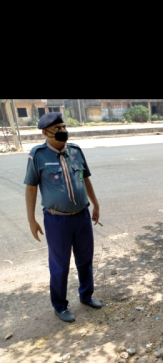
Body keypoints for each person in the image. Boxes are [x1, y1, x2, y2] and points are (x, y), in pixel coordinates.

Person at [24, 112, 103, 323]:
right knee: (60, 265)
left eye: (63, 126)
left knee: (85, 260)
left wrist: (95, 203)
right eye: (57, 128)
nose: (62, 131)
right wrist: (31, 220)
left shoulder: (76, 151)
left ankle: (86, 295)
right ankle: (60, 306)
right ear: (45, 132)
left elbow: (85, 178)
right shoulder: (38, 154)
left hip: (82, 217)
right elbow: (31, 189)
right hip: (57, 220)